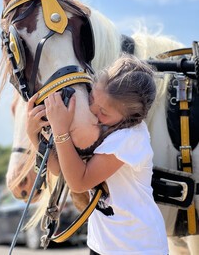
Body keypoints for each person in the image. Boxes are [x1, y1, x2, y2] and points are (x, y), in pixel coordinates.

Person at [27, 55, 169, 255]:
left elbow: (79, 182)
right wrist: (34, 135)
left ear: (130, 117)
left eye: (103, 111)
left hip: (137, 247)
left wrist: (61, 130)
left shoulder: (129, 139)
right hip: (102, 245)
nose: (93, 111)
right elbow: (62, 170)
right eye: (91, 98)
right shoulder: (105, 129)